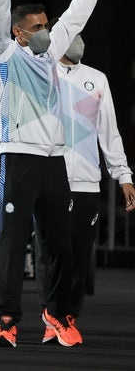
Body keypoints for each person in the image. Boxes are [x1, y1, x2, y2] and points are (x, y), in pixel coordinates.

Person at [0, 0, 110, 348]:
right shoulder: (3, 54)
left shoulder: (51, 50)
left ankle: (56, 316)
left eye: (45, 25)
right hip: (18, 159)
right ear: (20, 32)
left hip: (55, 163)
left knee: (61, 248)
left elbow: (76, 14)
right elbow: (0, 16)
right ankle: (6, 319)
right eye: (36, 26)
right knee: (13, 245)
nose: (45, 30)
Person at [43, 33, 135, 337]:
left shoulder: (97, 80)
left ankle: (68, 315)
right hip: (50, 179)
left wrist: (123, 175)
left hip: (86, 182)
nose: (79, 41)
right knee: (54, 253)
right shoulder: (41, 73)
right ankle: (52, 313)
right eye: (74, 34)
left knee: (80, 253)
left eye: (83, 35)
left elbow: (109, 132)